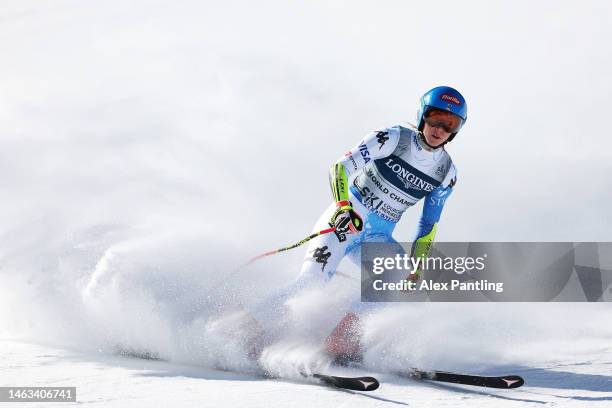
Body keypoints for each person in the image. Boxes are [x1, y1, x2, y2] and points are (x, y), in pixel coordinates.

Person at [250, 86, 468, 363]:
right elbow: (340, 168)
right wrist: (343, 207)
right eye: (436, 118)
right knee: (311, 284)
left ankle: (339, 343)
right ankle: (241, 330)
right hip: (346, 221)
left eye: (449, 125)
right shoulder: (392, 137)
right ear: (423, 116)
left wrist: (417, 266)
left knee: (400, 288)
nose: (439, 129)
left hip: (377, 236)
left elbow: (428, 225)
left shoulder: (446, 172)